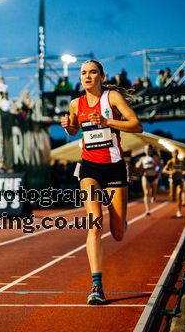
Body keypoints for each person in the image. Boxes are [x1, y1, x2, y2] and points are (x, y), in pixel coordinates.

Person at [60, 59, 143, 305]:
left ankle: (121, 217)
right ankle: (97, 286)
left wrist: (107, 122)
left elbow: (137, 125)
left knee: (117, 233)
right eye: (83, 73)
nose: (87, 76)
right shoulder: (76, 103)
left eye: (92, 72)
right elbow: (75, 129)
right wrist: (68, 126)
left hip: (115, 168)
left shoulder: (113, 98)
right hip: (89, 169)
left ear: (101, 76)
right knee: (94, 226)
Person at [135, 145, 163, 215]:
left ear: (151, 150)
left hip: (154, 176)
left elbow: (160, 168)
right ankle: (147, 210)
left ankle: (154, 196)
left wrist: (156, 170)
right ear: (144, 150)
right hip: (146, 176)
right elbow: (137, 167)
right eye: (146, 149)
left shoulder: (155, 158)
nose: (147, 151)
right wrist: (138, 165)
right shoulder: (142, 158)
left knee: (153, 194)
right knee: (147, 193)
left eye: (149, 149)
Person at [163, 150, 185, 218]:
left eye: (177, 153)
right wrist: (171, 172)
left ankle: (179, 211)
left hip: (179, 179)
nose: (175, 154)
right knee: (172, 197)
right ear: (172, 154)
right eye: (174, 153)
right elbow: (164, 170)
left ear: (178, 154)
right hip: (173, 180)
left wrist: (184, 172)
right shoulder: (170, 162)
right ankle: (172, 195)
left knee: (179, 194)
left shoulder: (181, 161)